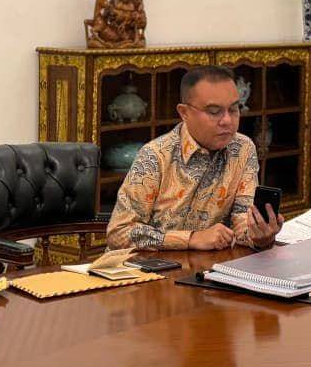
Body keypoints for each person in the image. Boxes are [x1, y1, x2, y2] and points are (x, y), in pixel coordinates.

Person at [106, 65, 283, 250]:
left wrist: (259, 236)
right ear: (184, 112)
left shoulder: (242, 148)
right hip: (144, 269)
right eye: (214, 112)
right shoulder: (155, 156)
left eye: (234, 109)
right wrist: (190, 239)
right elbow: (118, 234)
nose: (227, 121)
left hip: (204, 268)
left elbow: (242, 218)